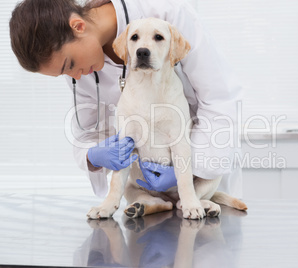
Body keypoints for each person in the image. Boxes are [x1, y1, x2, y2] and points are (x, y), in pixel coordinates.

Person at [9, 0, 243, 199]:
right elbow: (86, 133)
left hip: (203, 177)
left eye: (69, 64)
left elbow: (220, 98)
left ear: (78, 26)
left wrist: (189, 170)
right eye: (65, 73)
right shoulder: (81, 74)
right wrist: (92, 155)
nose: (75, 76)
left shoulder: (165, 12)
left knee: (203, 245)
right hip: (147, 191)